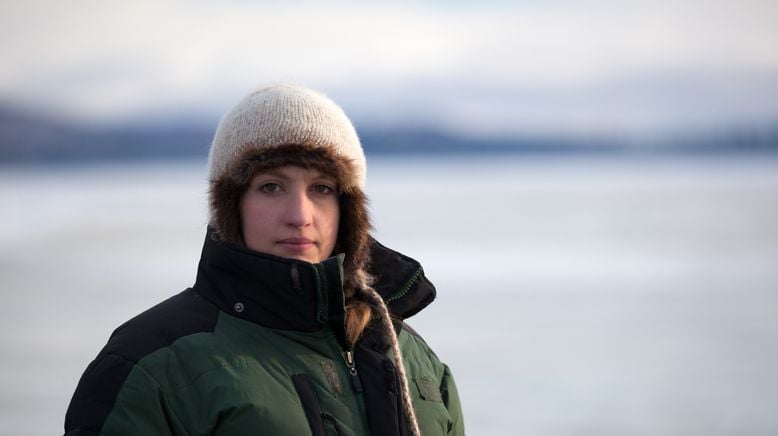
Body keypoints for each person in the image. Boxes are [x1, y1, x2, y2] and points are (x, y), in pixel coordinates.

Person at [64, 84, 465, 435]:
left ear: (349, 210)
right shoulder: (151, 363)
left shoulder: (410, 357)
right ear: (231, 205)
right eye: (271, 186)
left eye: (322, 188)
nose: (300, 215)